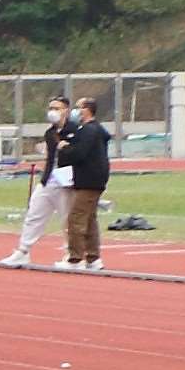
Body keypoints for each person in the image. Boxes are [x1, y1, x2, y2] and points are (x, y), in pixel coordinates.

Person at [3, 97, 79, 267]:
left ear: (66, 110)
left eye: (57, 108)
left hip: (67, 181)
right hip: (49, 179)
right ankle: (23, 251)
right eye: (51, 108)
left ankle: (72, 254)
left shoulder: (75, 130)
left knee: (67, 219)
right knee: (34, 213)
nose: (53, 111)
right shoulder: (50, 133)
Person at [55, 90, 109, 268]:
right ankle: (93, 258)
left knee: (76, 218)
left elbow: (79, 153)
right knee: (90, 219)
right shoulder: (96, 129)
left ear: (86, 110)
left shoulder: (88, 130)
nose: (75, 111)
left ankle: (75, 258)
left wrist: (65, 148)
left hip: (88, 179)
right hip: (95, 179)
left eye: (78, 108)